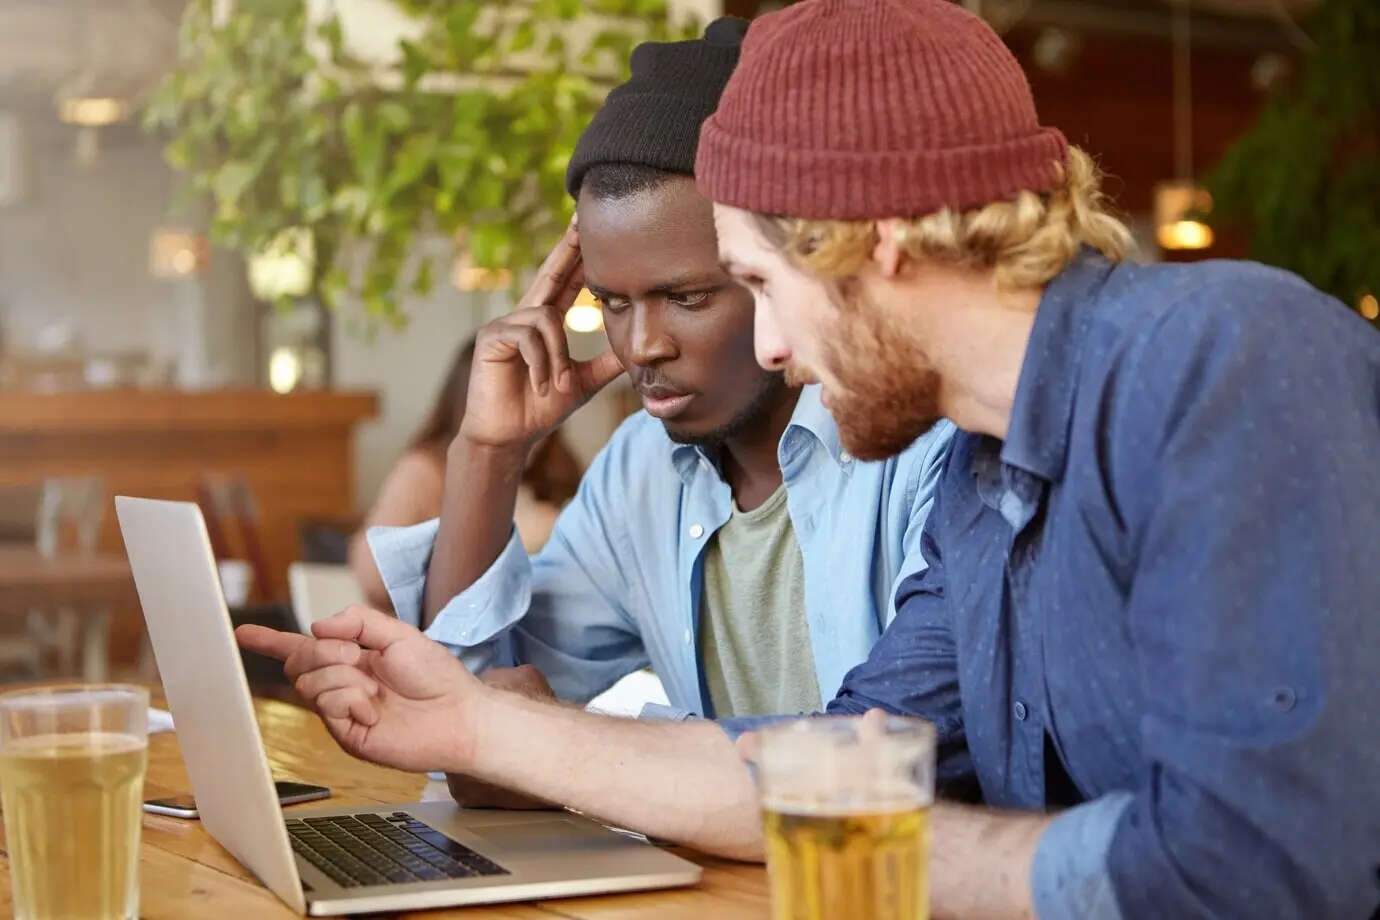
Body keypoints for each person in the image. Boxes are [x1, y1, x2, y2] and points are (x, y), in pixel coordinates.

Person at [244, 3, 1380, 915]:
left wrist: (876, 841)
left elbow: (1256, 869)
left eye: (755, 284)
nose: (772, 345)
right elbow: (833, 756)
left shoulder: (1224, 357)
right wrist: (476, 720)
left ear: (873, 234)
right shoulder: (984, 489)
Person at [360, 15, 952, 721]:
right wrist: (489, 451)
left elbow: (890, 757)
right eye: (610, 302)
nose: (642, 346)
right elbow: (461, 716)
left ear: (784, 264)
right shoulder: (639, 470)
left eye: (687, 297)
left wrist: (545, 745)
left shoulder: (922, 445)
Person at [348, 337, 582, 609]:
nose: (529, 422)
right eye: (513, 400)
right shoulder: (425, 473)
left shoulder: (557, 472)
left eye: (539, 400)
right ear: (470, 403)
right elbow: (373, 576)